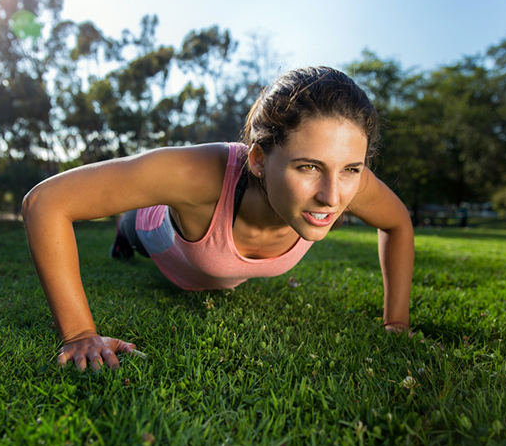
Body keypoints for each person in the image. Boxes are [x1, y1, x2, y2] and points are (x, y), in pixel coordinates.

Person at [22, 66, 415, 371]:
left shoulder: (350, 183)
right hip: (161, 235)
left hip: (214, 269)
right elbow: (45, 202)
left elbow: (397, 223)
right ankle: (125, 234)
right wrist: (78, 334)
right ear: (259, 158)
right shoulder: (197, 174)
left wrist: (396, 321)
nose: (332, 197)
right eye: (309, 166)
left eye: (351, 168)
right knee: (136, 226)